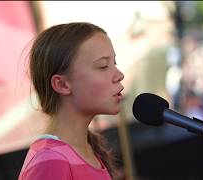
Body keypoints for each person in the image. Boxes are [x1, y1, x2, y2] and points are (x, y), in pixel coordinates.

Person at [18, 22, 125, 180]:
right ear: (62, 84)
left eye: (114, 63)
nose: (119, 75)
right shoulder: (50, 162)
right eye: (103, 66)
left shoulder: (89, 149)